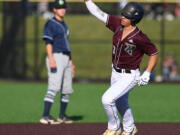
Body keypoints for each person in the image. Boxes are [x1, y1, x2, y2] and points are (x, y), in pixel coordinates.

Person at [84, 1, 159, 135]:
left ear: (134, 19)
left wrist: (147, 73)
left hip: (130, 75)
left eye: (126, 16)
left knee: (107, 100)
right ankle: (130, 129)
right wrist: (87, 0)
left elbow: (154, 53)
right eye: (123, 14)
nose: (122, 17)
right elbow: (98, 13)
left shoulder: (140, 37)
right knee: (121, 103)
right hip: (115, 72)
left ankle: (114, 128)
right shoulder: (118, 25)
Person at [40, 0, 75, 124]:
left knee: (67, 88)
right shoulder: (51, 23)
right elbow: (48, 42)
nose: (63, 9)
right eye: (60, 8)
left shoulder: (64, 24)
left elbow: (67, 45)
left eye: (64, 7)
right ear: (54, 9)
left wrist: (71, 62)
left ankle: (62, 115)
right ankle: (45, 116)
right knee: (54, 86)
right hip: (56, 56)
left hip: (66, 57)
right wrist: (51, 59)